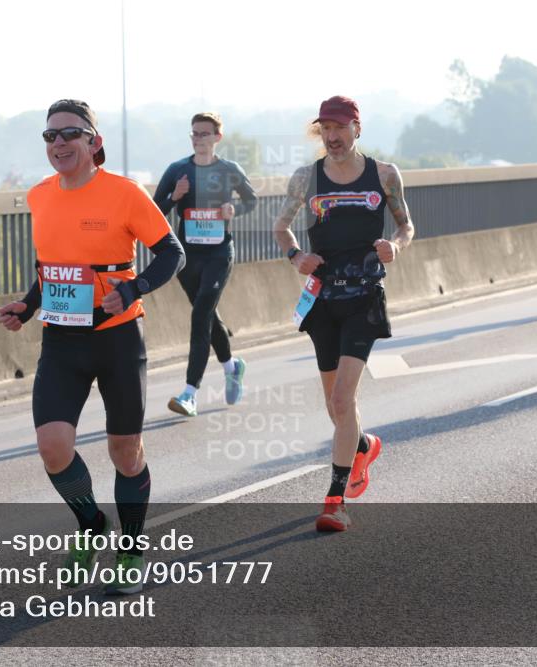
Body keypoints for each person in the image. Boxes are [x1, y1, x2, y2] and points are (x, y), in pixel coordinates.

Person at [0, 99, 185, 594]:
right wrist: (29, 305)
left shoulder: (124, 194)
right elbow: (53, 268)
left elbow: (172, 253)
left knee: (126, 452)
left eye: (69, 134)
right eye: (50, 136)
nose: (58, 143)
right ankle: (91, 525)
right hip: (62, 340)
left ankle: (131, 550)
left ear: (92, 142)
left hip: (118, 338)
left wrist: (134, 288)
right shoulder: (40, 196)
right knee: (53, 448)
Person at [272, 95, 414, 532]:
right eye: (325, 130)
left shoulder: (384, 175)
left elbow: (406, 225)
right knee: (337, 410)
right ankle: (364, 445)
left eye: (340, 128)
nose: (332, 137)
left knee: (341, 399)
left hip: (364, 298)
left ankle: (334, 502)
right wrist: (297, 255)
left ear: (357, 129)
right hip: (323, 301)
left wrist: (396, 245)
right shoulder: (306, 178)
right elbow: (281, 226)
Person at [153, 112, 258, 416]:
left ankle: (189, 394)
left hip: (219, 253)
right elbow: (155, 210)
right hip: (187, 257)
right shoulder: (178, 170)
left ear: (217, 138)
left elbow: (251, 201)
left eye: (205, 134)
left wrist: (233, 209)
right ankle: (231, 366)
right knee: (207, 315)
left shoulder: (229, 170)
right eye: (194, 134)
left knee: (201, 314)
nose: (199, 139)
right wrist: (176, 195)